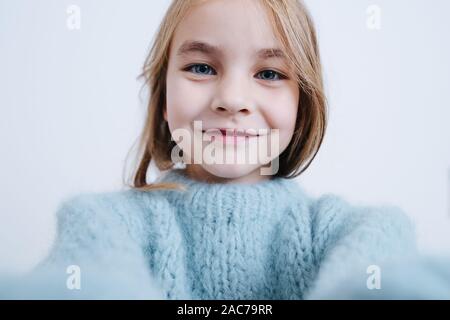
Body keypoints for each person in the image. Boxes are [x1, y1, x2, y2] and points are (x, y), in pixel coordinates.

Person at [2, 0, 437, 300]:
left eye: (268, 73)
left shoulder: (360, 231)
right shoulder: (104, 224)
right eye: (201, 67)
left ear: (302, 104)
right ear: (163, 97)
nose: (232, 98)